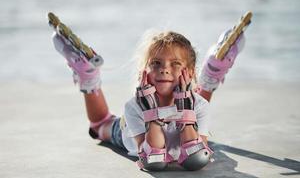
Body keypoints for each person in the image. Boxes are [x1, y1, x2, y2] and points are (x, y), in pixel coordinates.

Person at [51, 28, 245, 171]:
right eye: (156, 63)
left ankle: (211, 74)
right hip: (131, 133)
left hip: (185, 114)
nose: (164, 69)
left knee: (196, 113)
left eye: (175, 63)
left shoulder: (200, 106)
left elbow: (195, 157)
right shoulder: (134, 107)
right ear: (143, 71)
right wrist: (151, 114)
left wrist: (186, 110)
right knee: (100, 125)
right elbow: (154, 159)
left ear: (189, 71)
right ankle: (89, 78)